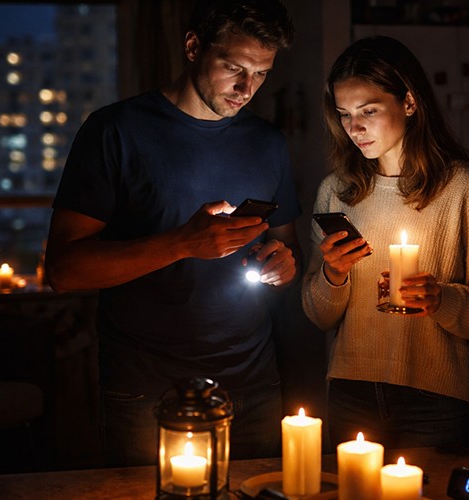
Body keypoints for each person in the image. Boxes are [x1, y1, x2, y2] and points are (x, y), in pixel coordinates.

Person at [45, 0, 300, 466]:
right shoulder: (115, 131)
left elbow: (287, 246)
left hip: (253, 383)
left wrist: (284, 263)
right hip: (146, 390)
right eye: (234, 68)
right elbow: (63, 270)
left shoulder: (268, 143)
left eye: (262, 73)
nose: (247, 88)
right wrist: (182, 243)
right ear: (192, 46)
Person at [301, 36, 469, 451]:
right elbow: (318, 316)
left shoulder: (462, 190)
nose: (355, 128)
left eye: (369, 110)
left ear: (409, 103)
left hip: (437, 401)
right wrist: (332, 276)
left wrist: (441, 300)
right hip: (352, 392)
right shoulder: (337, 192)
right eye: (345, 114)